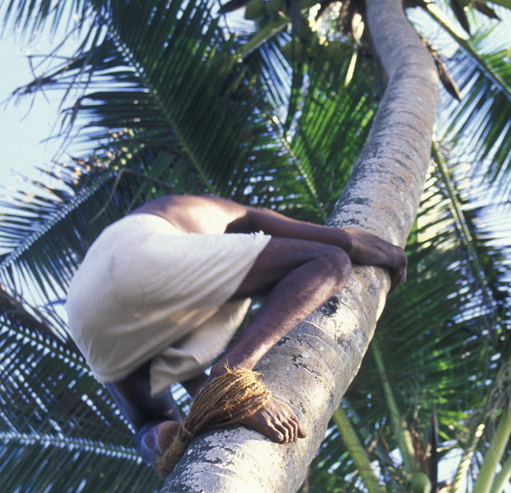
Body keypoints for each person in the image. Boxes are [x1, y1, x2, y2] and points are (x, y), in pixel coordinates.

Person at [66, 194, 407, 468]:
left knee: (147, 422)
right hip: (140, 257)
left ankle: (161, 440)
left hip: (83, 313)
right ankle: (232, 373)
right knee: (328, 263)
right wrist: (350, 240)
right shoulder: (229, 214)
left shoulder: (180, 245)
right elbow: (267, 224)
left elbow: (174, 348)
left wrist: (205, 397)